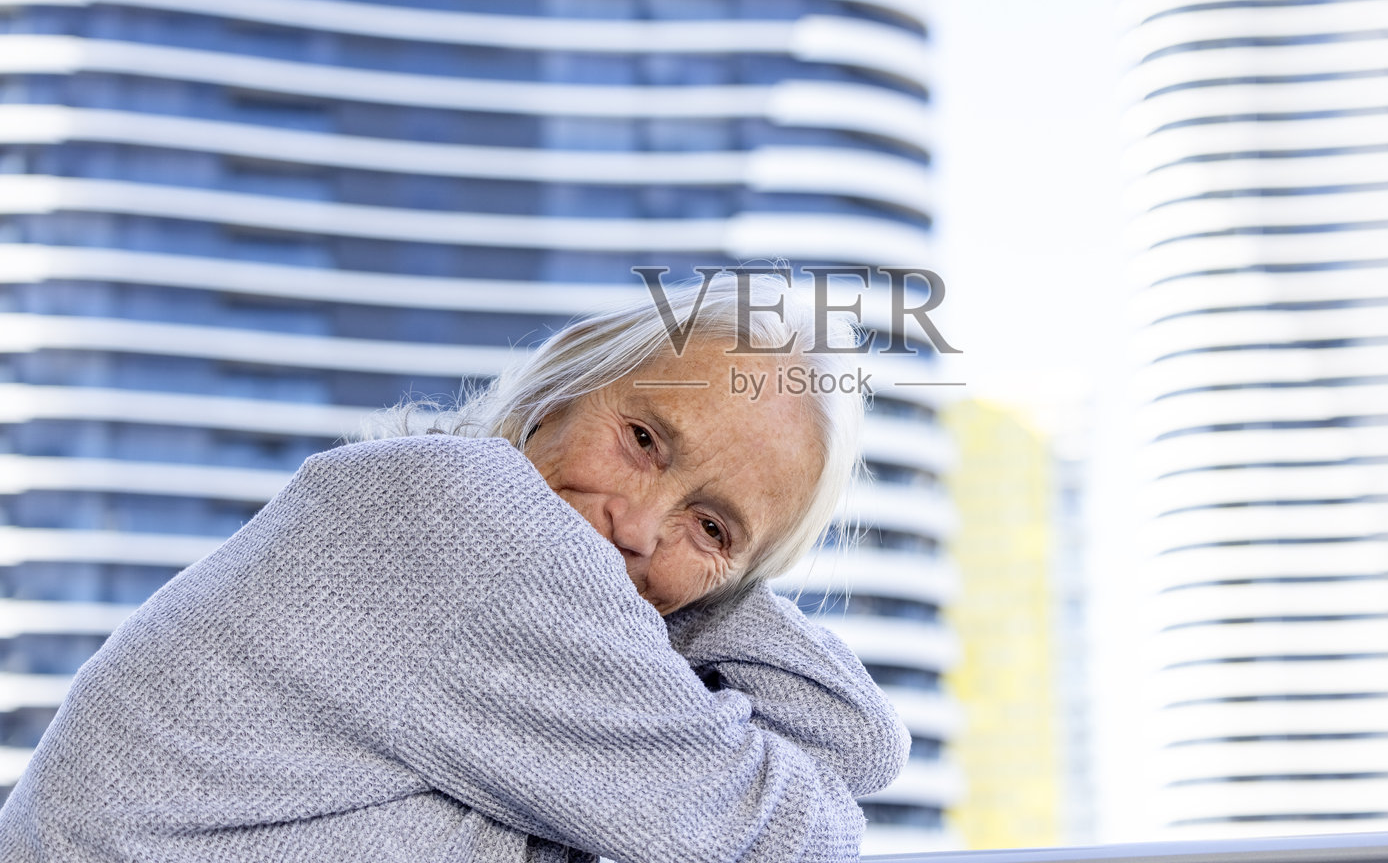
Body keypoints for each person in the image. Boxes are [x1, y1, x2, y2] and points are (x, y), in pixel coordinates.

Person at [0, 272, 910, 863]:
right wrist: (688, 573)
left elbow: (857, 740)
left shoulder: (538, 595)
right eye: (643, 439)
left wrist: (692, 593)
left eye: (710, 527)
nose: (638, 525)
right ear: (556, 393)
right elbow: (778, 841)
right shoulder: (460, 514)